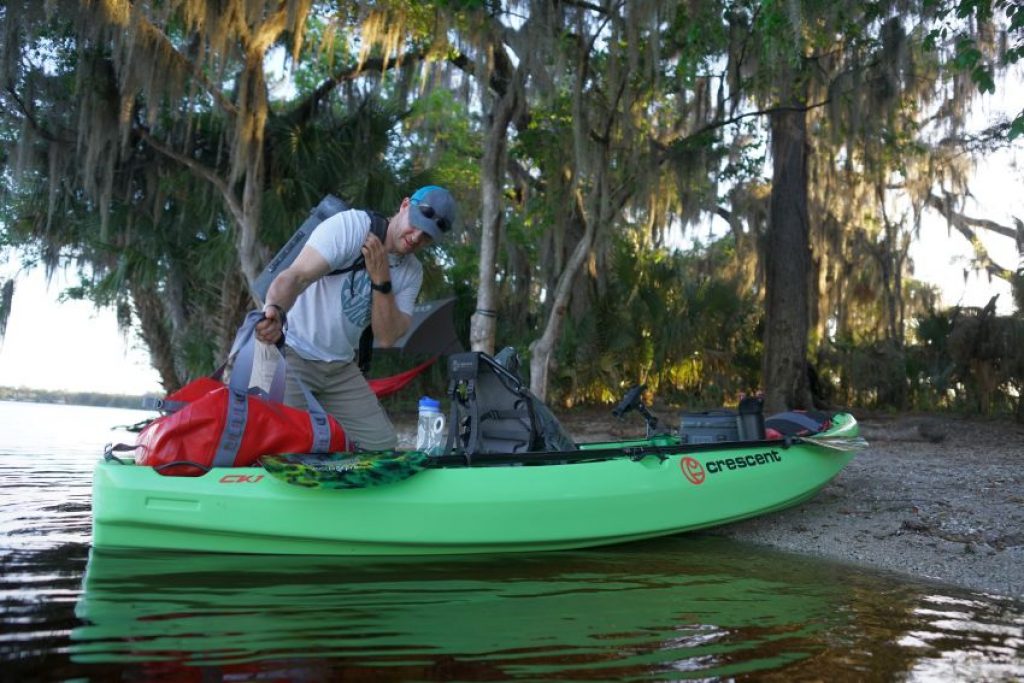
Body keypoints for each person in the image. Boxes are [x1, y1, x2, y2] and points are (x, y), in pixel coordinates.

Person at [255, 185, 457, 450]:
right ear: (405, 205)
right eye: (415, 224)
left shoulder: (411, 273)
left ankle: (340, 481)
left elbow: (387, 337)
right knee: (283, 445)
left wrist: (381, 280)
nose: (415, 238)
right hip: (289, 350)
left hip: (339, 367)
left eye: (427, 236)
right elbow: (296, 276)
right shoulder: (353, 226)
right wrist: (276, 310)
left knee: (382, 447)